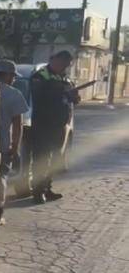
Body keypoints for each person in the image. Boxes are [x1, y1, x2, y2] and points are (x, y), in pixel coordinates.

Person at [29, 50, 79, 204]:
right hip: (43, 124)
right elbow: (39, 95)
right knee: (41, 159)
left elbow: (73, 98)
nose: (64, 67)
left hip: (59, 125)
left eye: (67, 65)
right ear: (55, 60)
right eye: (63, 63)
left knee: (53, 159)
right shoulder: (41, 75)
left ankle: (47, 188)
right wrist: (61, 93)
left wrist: (73, 96)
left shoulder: (64, 77)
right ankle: (38, 192)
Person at [0, 60, 29, 223]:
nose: (13, 79)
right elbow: (17, 124)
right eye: (13, 76)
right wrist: (15, 146)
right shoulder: (14, 94)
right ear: (8, 76)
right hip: (2, 146)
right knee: (0, 178)